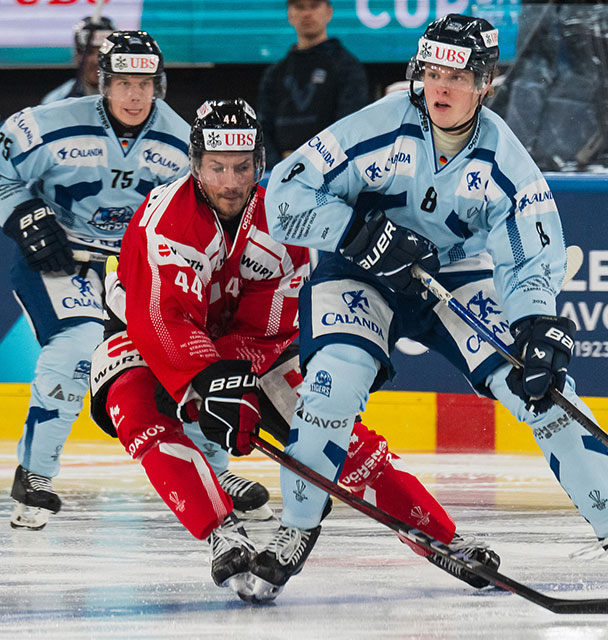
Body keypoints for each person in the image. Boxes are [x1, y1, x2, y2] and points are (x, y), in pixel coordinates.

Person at [257, 13, 608, 603]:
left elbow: (530, 250)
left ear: (485, 83)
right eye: (431, 71)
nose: (441, 86)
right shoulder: (376, 126)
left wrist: (537, 324)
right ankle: (294, 529)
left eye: (457, 74)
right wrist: (355, 232)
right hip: (359, 273)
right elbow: (287, 195)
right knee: (332, 384)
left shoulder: (506, 159)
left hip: (455, 275)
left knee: (544, 391)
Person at [87, 98, 503, 599]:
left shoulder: (284, 225)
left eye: (242, 167)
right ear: (195, 164)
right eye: (216, 167)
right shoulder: (164, 221)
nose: (230, 181)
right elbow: (162, 317)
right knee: (133, 401)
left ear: (259, 163)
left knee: (332, 435)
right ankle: (222, 534)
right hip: (143, 335)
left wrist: (232, 381)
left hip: (245, 345)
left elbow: (269, 328)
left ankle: (441, 539)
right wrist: (203, 378)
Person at [0, 31, 264, 530]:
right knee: (76, 345)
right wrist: (22, 215)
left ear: (158, 84)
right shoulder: (49, 123)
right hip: (61, 256)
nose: (134, 95)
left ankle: (217, 469)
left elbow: (206, 203)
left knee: (189, 347)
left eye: (145, 82)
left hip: (134, 262)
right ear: (103, 83)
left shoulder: (181, 138)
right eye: (123, 82)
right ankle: (34, 477)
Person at [257, 0, 368, 168]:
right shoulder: (274, 74)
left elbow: (350, 125)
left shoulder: (347, 68)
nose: (307, 13)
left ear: (329, 12)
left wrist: (315, 162)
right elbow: (263, 129)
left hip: (332, 171)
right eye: (300, 7)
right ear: (290, 14)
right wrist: (279, 167)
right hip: (279, 174)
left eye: (314, 6)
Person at [41, 15, 117, 104]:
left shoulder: (131, 97)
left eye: (103, 52)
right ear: (76, 56)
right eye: (89, 52)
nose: (96, 60)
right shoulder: (58, 102)